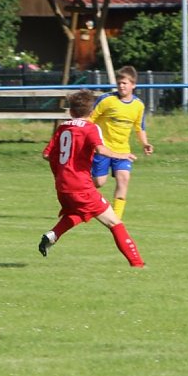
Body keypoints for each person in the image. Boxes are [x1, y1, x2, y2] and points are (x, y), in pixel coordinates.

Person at [38, 89, 144, 268]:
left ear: (71, 111)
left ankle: (52, 235)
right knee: (114, 222)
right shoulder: (91, 128)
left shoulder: (63, 127)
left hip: (62, 186)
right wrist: (122, 155)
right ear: (92, 111)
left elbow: (47, 155)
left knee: (79, 212)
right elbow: (101, 150)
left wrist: (61, 170)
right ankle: (138, 264)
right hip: (81, 186)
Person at [89, 65, 153, 220]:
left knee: (123, 178)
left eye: (125, 83)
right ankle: (80, 197)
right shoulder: (107, 100)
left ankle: (116, 219)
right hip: (103, 149)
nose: (121, 86)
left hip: (123, 151)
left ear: (133, 85)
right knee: (98, 182)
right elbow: (89, 120)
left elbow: (139, 128)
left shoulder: (138, 105)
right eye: (119, 83)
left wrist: (145, 143)